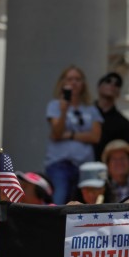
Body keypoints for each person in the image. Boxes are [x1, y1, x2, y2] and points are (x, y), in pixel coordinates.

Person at [45, 65, 103, 205]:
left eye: (77, 79)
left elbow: (95, 136)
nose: (74, 83)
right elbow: (57, 133)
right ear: (63, 83)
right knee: (59, 199)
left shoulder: (91, 109)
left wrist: (69, 135)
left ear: (83, 84)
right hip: (60, 163)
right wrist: (64, 111)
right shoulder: (55, 105)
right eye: (70, 79)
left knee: (84, 202)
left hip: (85, 165)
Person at [93, 71, 129, 162]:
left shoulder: (123, 123)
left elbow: (128, 150)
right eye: (108, 81)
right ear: (99, 87)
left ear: (119, 93)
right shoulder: (85, 114)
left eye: (117, 84)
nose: (112, 85)